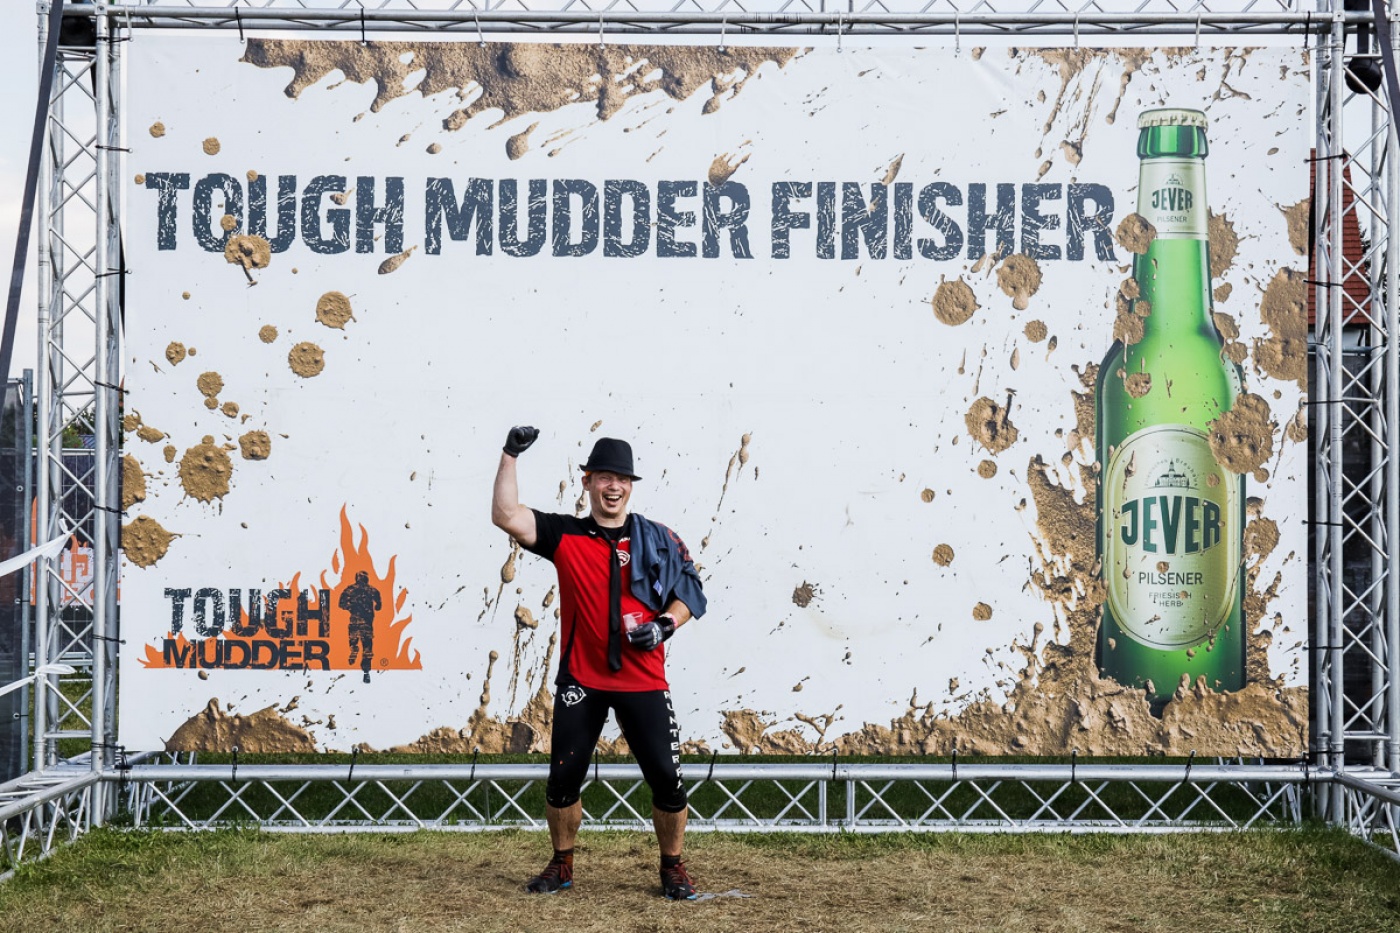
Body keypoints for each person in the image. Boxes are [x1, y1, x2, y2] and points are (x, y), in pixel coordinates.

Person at [491, 426, 707, 900]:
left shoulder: (658, 538)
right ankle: (561, 864)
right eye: (605, 477)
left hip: (643, 679)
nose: (614, 486)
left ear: (631, 486)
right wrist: (510, 453)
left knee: (668, 781)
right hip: (582, 680)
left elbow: (690, 591)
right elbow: (505, 514)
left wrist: (665, 625)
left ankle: (673, 867)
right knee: (562, 780)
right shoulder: (564, 534)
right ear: (587, 481)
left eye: (622, 479)